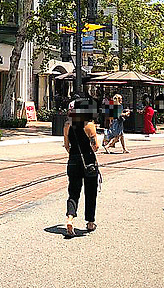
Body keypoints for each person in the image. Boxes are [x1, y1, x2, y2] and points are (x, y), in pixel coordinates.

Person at [63, 96, 100, 236]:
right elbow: (95, 146)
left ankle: (70, 218)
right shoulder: (89, 125)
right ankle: (90, 223)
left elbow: (67, 146)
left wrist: (74, 154)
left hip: (72, 161)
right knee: (90, 192)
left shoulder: (67, 125)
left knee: (73, 192)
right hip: (88, 162)